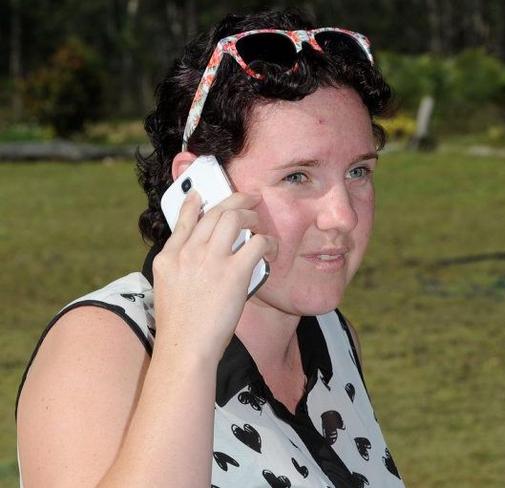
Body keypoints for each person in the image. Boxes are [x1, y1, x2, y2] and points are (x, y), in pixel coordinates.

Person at [15, 8, 403, 487]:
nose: (342, 215)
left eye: (358, 172)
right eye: (297, 176)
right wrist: (189, 351)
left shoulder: (330, 338)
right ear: (200, 187)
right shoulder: (104, 347)